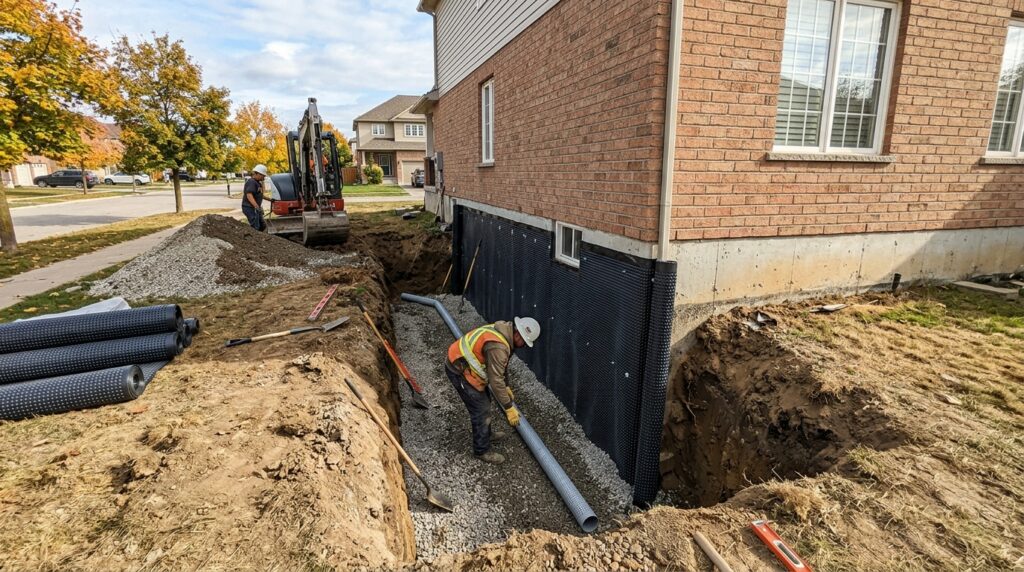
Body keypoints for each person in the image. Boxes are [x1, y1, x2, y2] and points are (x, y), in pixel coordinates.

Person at [445, 316, 541, 464]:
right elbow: (496, 381)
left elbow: (501, 366)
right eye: (525, 342)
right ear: (518, 334)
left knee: (485, 401)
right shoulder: (498, 346)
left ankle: (486, 434)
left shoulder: (504, 332)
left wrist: (506, 385)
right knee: (481, 409)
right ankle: (481, 450)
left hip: (464, 363)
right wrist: (509, 408)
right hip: (459, 369)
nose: (524, 346)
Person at [242, 164, 268, 231]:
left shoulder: (258, 183)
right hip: (249, 208)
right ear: (257, 174)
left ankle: (262, 238)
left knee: (262, 225)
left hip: (255, 208)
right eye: (263, 175)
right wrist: (256, 206)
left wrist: (271, 200)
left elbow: (260, 195)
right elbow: (249, 195)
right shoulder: (251, 182)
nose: (264, 178)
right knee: (256, 226)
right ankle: (255, 240)